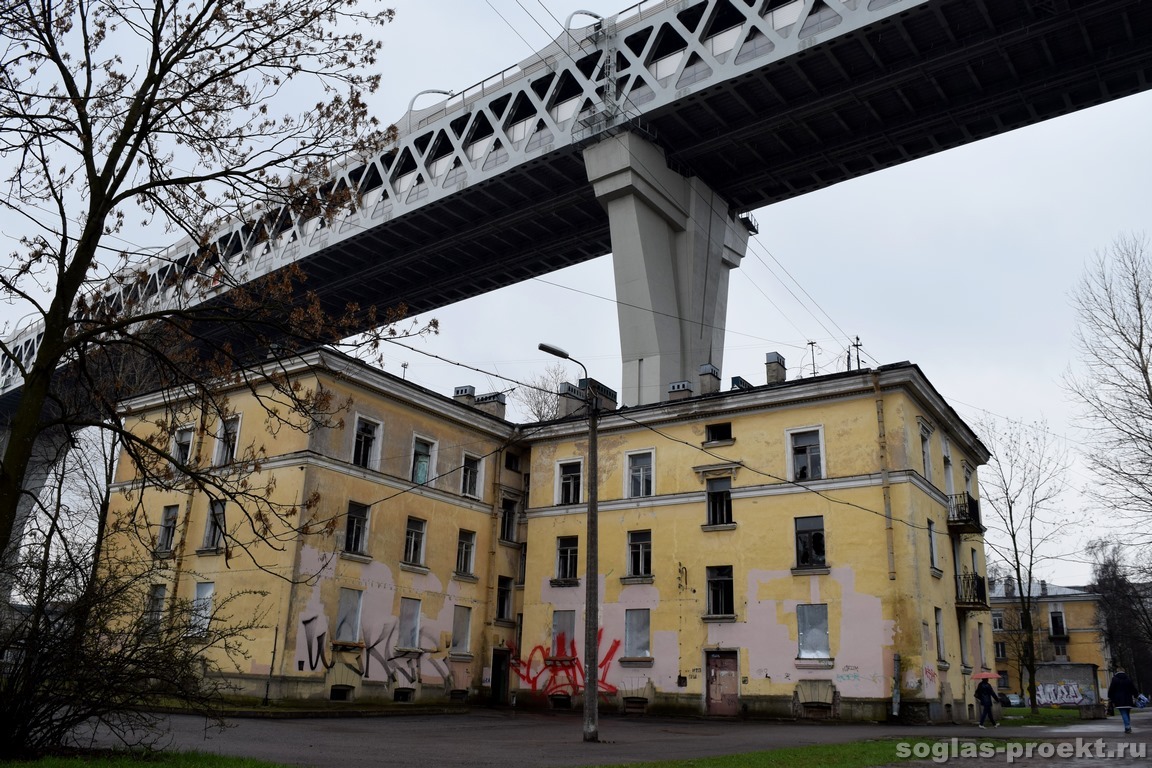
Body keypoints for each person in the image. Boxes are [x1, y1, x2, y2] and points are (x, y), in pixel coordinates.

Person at [1108, 668, 1139, 734]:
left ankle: (1127, 727)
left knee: (1123, 713)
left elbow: (1111, 689)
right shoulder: (1128, 679)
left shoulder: (1114, 679)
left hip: (1119, 700)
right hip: (1128, 699)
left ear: (1117, 671)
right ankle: (1128, 726)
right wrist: (1136, 695)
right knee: (1127, 713)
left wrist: (1110, 697)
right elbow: (1133, 688)